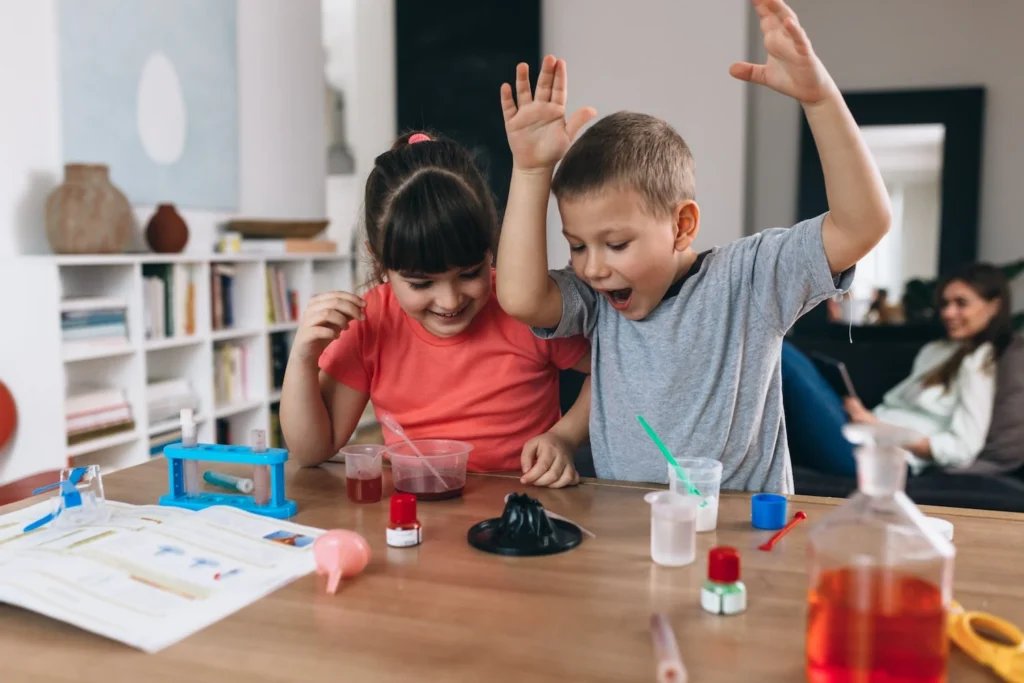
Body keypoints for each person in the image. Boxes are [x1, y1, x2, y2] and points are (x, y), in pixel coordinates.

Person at [494, 0, 891, 493]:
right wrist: (532, 171)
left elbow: (863, 225)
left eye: (616, 244)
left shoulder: (749, 279)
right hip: (631, 527)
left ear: (682, 226)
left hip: (742, 527)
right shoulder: (599, 299)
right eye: (577, 246)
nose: (592, 268)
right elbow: (520, 298)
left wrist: (821, 101)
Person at [279, 131, 593, 488]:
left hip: (523, 501)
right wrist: (302, 358)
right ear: (381, 263)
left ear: (490, 247)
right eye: (421, 283)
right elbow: (310, 451)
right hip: (418, 504)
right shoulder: (371, 321)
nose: (450, 301)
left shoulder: (522, 304)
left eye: (470, 274)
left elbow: (611, 368)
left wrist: (565, 436)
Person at [783, 263, 1013, 477]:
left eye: (961, 303)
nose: (948, 313)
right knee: (790, 356)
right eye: (945, 304)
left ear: (993, 306)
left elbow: (961, 450)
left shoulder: (979, 362)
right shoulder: (936, 350)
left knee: (784, 354)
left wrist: (875, 426)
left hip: (875, 456)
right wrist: (865, 418)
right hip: (863, 432)